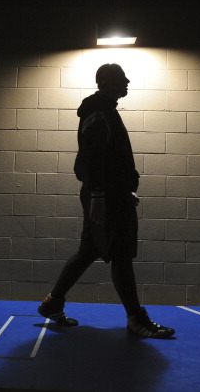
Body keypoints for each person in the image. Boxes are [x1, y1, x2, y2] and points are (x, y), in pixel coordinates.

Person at [37, 63, 175, 339]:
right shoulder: (99, 114)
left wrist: (124, 189)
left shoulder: (104, 112)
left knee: (89, 250)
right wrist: (101, 196)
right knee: (121, 254)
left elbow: (109, 159)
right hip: (107, 197)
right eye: (121, 78)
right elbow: (93, 158)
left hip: (110, 194)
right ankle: (137, 319)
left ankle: (53, 304)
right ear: (106, 82)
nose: (128, 81)